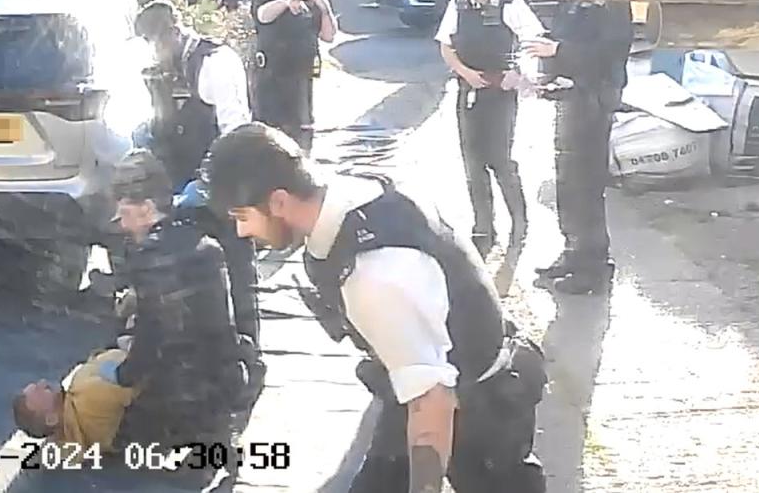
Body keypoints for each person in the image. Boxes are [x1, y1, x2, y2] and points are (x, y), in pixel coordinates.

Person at [204, 122, 548, 493]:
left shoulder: (374, 275)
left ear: (279, 202)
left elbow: (432, 402)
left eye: (242, 217)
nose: (241, 232)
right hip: (421, 376)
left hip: (477, 405)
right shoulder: (353, 192)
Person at [98, 149, 253, 485]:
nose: (121, 223)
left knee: (122, 449)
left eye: (124, 212)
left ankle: (195, 443)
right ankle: (215, 439)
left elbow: (153, 340)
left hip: (187, 392)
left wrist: (123, 373)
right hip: (225, 379)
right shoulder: (202, 241)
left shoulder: (151, 256)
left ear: (146, 209)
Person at [132, 0, 262, 354]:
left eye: (157, 42)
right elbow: (164, 122)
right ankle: (205, 355)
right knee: (193, 275)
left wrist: (207, 183)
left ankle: (248, 352)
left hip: (225, 183)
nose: (154, 52)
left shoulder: (216, 62)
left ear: (175, 31)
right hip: (179, 185)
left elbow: (237, 131)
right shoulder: (160, 69)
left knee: (237, 269)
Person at [436, 0, 547, 257]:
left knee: (500, 159)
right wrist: (465, 73)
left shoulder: (511, 4)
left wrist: (519, 72)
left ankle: (519, 220)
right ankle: (483, 227)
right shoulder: (458, 3)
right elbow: (446, 44)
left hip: (500, 91)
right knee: (473, 163)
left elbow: (533, 39)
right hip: (470, 88)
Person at [522, 0, 634, 295]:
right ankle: (573, 253)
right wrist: (546, 74)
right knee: (567, 183)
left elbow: (608, 54)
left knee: (586, 185)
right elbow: (560, 37)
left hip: (594, 99)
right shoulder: (571, 0)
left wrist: (558, 50)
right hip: (570, 96)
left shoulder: (612, 5)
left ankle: (592, 267)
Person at [250, 0, 337, 153]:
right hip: (272, 79)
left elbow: (329, 35)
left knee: (302, 134)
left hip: (301, 78)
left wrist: (323, 4)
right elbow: (263, 15)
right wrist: (285, 3)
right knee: (271, 138)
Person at [12, 348, 136, 452]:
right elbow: (137, 382)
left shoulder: (75, 438)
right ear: (51, 419)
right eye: (43, 391)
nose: (44, 382)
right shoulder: (87, 396)